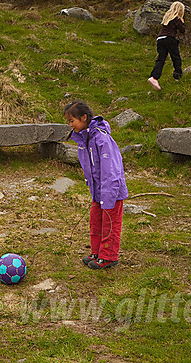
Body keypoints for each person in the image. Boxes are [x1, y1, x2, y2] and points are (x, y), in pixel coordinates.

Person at [64, 100, 128, 269]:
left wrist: (109, 193)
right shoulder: (84, 140)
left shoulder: (101, 138)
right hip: (98, 191)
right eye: (69, 122)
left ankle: (109, 256)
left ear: (84, 118)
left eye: (72, 121)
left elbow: (111, 168)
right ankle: (98, 252)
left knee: (109, 223)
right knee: (96, 221)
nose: (70, 125)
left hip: (111, 192)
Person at [147, 1, 185, 91]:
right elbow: (182, 30)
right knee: (176, 57)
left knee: (161, 58)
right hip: (169, 38)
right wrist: (182, 22)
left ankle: (154, 77)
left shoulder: (167, 17)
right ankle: (177, 77)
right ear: (179, 10)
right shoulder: (177, 18)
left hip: (160, 39)